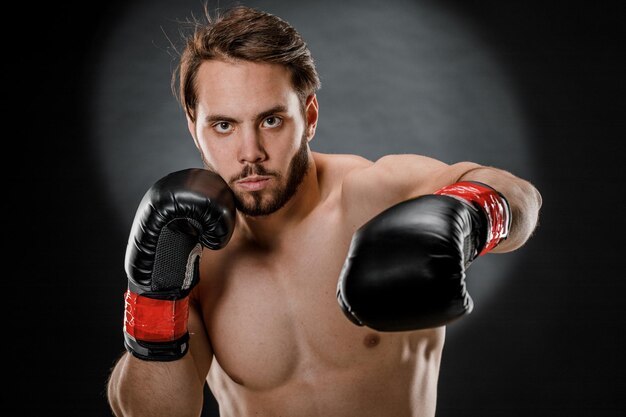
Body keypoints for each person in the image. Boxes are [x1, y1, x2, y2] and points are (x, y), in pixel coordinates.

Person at [107, 5, 542, 417]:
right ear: (194, 127)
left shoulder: (374, 197)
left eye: (271, 120)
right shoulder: (192, 257)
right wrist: (155, 293)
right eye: (224, 125)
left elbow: (520, 197)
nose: (250, 153)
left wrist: (465, 212)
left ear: (309, 115)